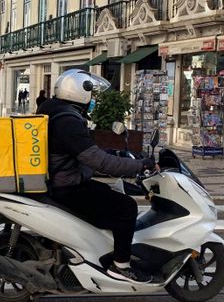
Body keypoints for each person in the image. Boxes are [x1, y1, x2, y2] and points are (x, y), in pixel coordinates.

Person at [36, 69, 158, 284]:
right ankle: (121, 266)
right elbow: (98, 161)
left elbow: (86, 151)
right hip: (67, 186)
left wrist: (120, 155)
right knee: (126, 207)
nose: (92, 100)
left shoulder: (54, 110)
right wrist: (139, 166)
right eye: (91, 95)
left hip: (60, 180)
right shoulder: (68, 121)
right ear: (78, 92)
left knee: (110, 194)